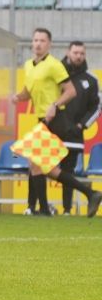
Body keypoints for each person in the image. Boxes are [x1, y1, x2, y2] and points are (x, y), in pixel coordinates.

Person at [12, 28, 102, 217]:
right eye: (35, 40)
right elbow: (29, 91)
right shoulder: (29, 65)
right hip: (42, 119)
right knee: (42, 166)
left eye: (42, 40)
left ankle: (46, 208)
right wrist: (18, 97)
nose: (38, 43)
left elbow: (70, 91)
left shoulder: (54, 65)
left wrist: (55, 104)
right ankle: (89, 193)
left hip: (56, 119)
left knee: (38, 163)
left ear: (49, 44)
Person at [60, 41, 101, 215]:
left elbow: (96, 107)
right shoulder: (58, 74)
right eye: (75, 52)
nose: (78, 56)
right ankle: (37, 207)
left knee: (67, 171)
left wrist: (81, 125)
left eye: (82, 53)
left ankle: (67, 210)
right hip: (53, 130)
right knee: (43, 166)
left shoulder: (91, 80)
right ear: (68, 53)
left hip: (74, 134)